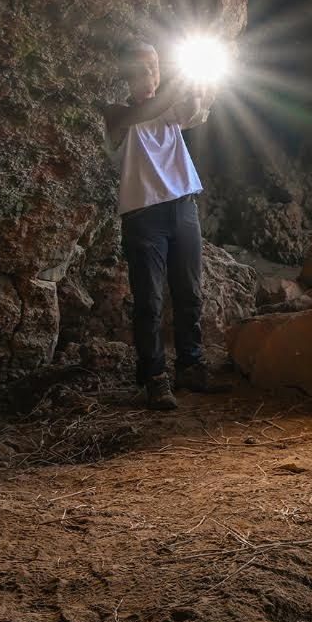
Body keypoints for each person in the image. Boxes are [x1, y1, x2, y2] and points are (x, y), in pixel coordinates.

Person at [101, 40, 220, 409]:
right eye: (139, 70)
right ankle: (153, 376)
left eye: (153, 67)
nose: (148, 76)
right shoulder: (115, 114)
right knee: (149, 301)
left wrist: (205, 84)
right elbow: (153, 106)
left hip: (183, 207)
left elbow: (197, 109)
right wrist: (179, 84)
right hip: (143, 217)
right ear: (123, 76)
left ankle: (190, 365)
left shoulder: (168, 111)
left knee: (189, 293)